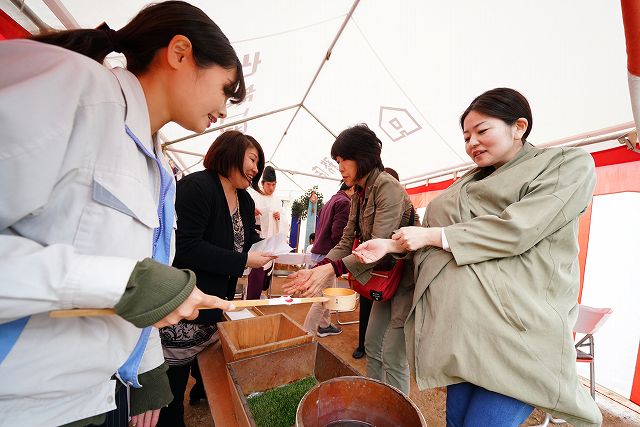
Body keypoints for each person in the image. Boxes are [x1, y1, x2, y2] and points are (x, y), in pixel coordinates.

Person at [0, 2, 241, 426]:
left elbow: (139, 277)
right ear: (180, 53)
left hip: (92, 395)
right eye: (226, 89)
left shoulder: (157, 165)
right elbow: (130, 281)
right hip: (23, 402)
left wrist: (144, 371)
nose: (225, 109)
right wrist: (128, 284)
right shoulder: (75, 87)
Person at [353, 88, 602, 426]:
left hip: (515, 332)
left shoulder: (565, 164)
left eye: (482, 131)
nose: (472, 143)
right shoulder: (467, 182)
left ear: (519, 126)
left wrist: (432, 235)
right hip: (466, 332)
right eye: (467, 136)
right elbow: (433, 232)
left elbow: (515, 229)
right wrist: (392, 245)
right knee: (456, 421)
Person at [284, 124, 416, 394]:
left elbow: (377, 248)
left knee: (393, 354)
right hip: (382, 280)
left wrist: (331, 267)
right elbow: (346, 241)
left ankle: (397, 410)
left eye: (344, 159)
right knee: (371, 345)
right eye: (337, 161)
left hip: (405, 280)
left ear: (363, 156)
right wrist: (319, 269)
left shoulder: (387, 188)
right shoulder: (359, 192)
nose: (340, 167)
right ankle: (376, 399)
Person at [158, 131, 276, 427]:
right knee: (171, 390)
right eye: (252, 159)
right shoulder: (196, 187)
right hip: (184, 304)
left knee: (209, 364)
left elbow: (246, 241)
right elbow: (187, 246)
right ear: (230, 152)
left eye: (258, 165)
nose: (255, 169)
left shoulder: (246, 201)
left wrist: (267, 248)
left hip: (215, 304)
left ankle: (199, 390)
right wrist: (244, 260)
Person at [351, 167, 400, 359]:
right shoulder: (365, 201)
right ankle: (364, 344)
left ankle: (379, 349)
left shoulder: (401, 204)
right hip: (370, 267)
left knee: (388, 312)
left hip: (392, 270)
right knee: (366, 304)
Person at [301, 183, 355, 338]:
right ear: (351, 188)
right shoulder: (345, 202)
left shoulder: (331, 200)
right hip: (328, 255)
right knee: (322, 297)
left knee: (326, 293)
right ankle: (306, 333)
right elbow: (338, 234)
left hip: (319, 251)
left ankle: (324, 325)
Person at [246, 165, 286, 299]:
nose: (271, 188)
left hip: (271, 238)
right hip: (256, 238)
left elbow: (284, 220)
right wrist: (252, 212)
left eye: (274, 185)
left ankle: (259, 297)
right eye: (269, 184)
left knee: (266, 273)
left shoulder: (277, 200)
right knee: (256, 271)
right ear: (262, 183)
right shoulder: (254, 195)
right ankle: (251, 299)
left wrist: (279, 218)